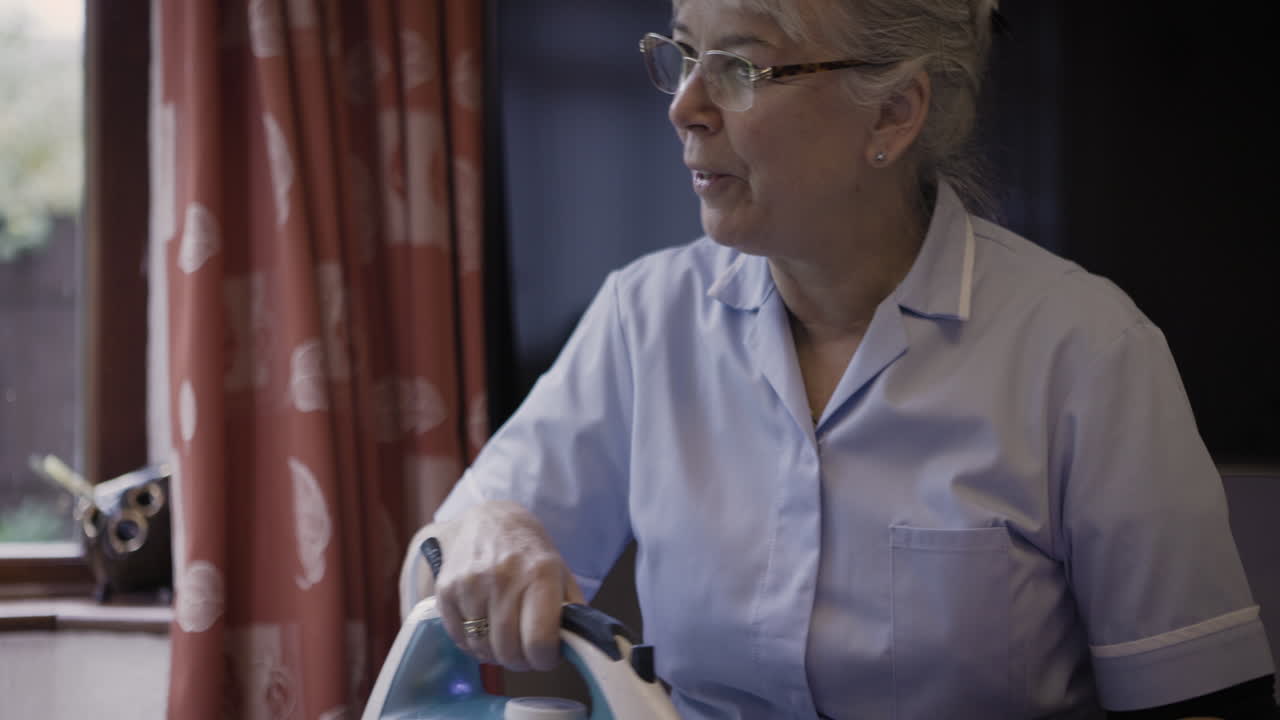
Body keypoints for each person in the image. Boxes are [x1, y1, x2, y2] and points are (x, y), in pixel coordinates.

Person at [400, 0, 1277, 717]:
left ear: (894, 112)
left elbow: (1200, 699)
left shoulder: (1086, 349)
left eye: (740, 68)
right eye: (683, 54)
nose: (684, 105)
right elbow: (438, 574)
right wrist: (486, 531)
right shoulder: (646, 316)